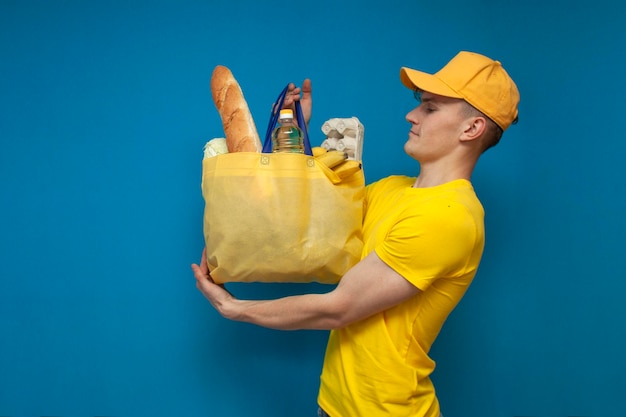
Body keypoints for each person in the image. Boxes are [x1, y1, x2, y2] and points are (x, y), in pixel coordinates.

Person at [192, 51, 520, 417]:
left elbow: (340, 308)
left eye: (430, 108)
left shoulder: (450, 216)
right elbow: (304, 220)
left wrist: (234, 308)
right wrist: (292, 138)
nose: (411, 115)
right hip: (336, 403)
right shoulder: (393, 189)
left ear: (471, 128)